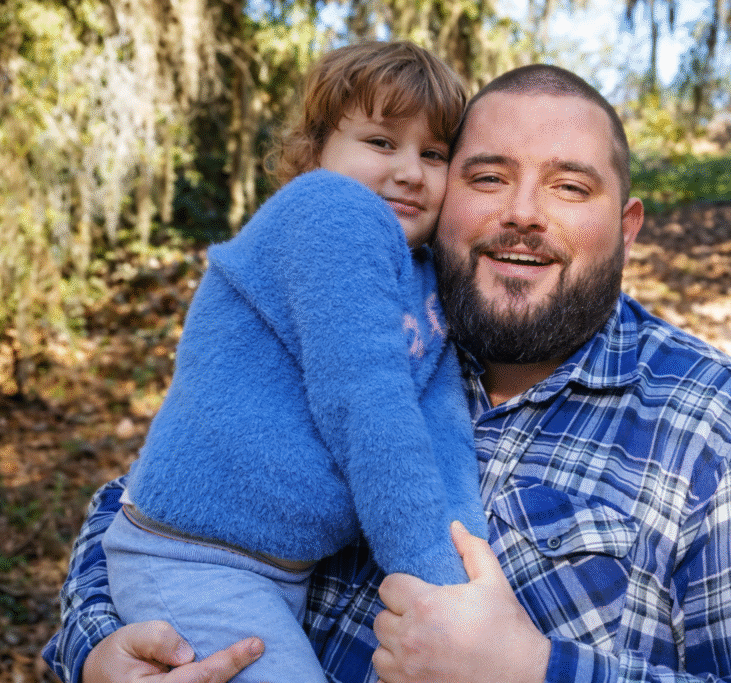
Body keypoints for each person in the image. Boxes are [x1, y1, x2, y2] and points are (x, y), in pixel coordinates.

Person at [44, 63, 731, 683]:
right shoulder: (391, 322)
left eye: (570, 187)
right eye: (488, 176)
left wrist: (538, 671)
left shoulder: (718, 426)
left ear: (629, 226)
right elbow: (150, 499)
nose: (522, 213)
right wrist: (97, 648)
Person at [92, 40, 488, 683]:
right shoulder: (330, 212)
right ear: (316, 154)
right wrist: (442, 603)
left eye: (434, 153)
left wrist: (469, 578)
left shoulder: (424, 278)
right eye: (382, 142)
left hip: (275, 571)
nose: (412, 171)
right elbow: (367, 405)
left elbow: (441, 432)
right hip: (194, 560)